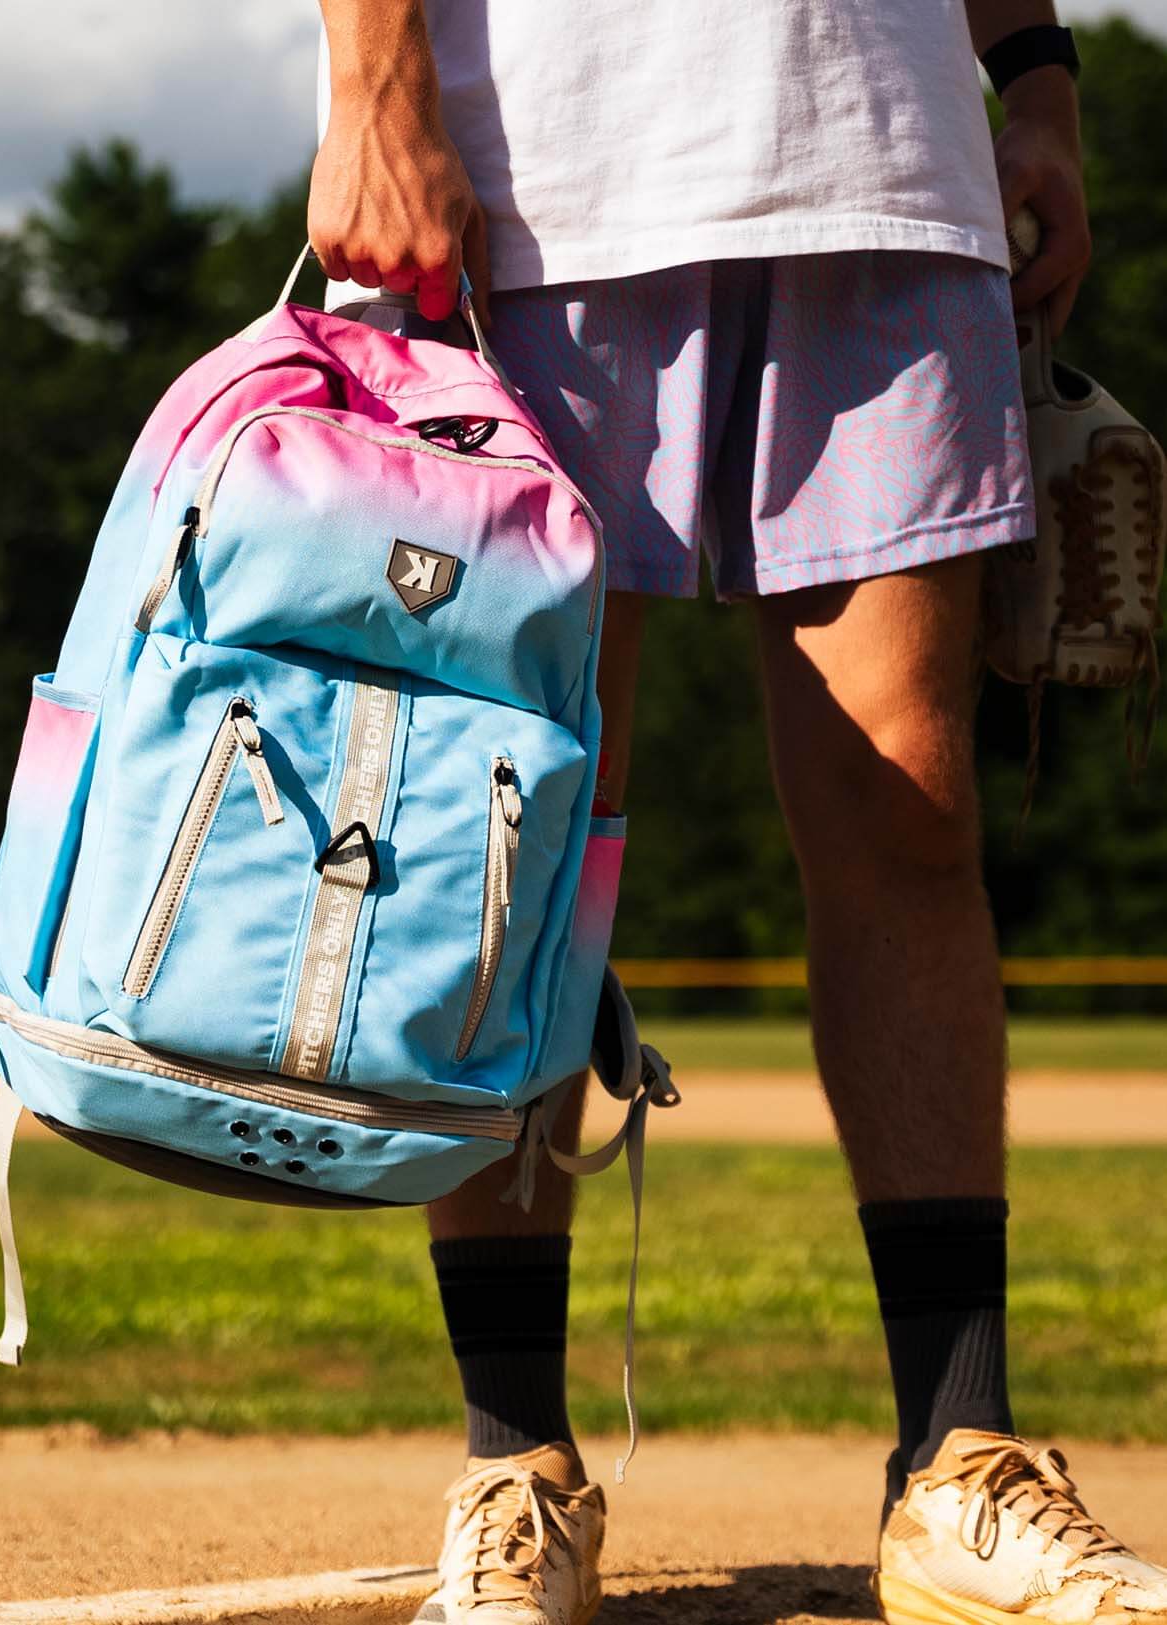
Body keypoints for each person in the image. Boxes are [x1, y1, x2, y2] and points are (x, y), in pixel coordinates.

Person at [307, 4, 1167, 1623]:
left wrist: (1038, 80)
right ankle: (515, 1461)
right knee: (518, 812)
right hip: (542, 170)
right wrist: (374, 87)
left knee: (910, 801)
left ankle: (958, 1460)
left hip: (884, 152)